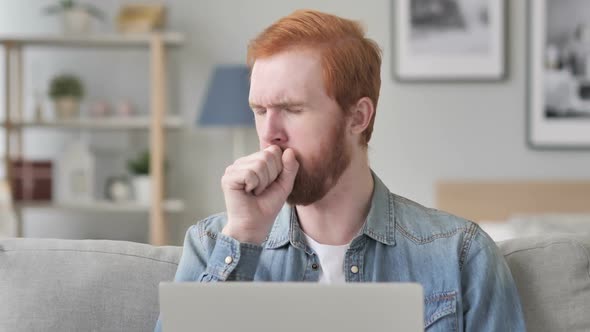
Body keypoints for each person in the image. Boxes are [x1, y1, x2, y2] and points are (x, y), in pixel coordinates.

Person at [155, 9, 525, 331]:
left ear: (358, 116)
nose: (270, 135)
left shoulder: (461, 254)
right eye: (260, 111)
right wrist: (246, 235)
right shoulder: (213, 244)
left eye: (293, 109)